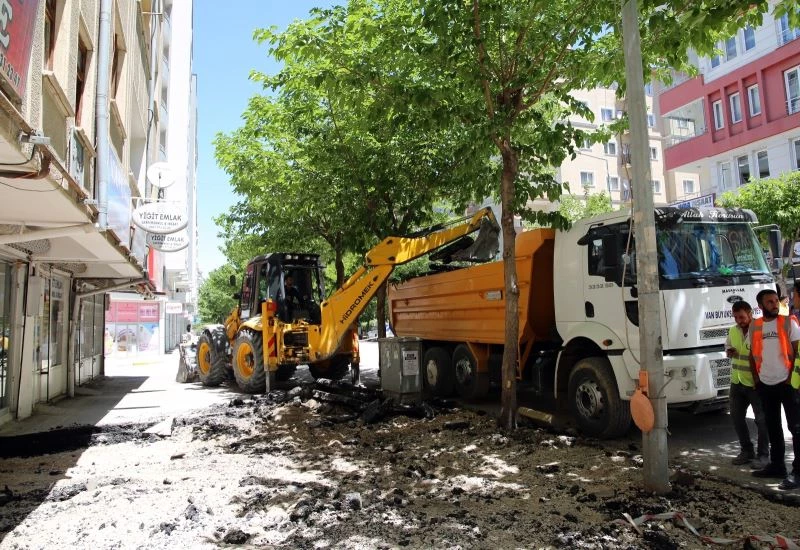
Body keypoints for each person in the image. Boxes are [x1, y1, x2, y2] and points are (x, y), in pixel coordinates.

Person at [749, 288, 800, 490]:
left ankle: (798, 472)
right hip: (765, 384)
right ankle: (777, 465)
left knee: (796, 428)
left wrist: (790, 380)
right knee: (773, 427)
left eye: (775, 301)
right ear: (760, 306)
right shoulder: (755, 326)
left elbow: (798, 352)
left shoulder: (789, 323)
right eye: (769, 302)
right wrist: (756, 380)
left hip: (787, 384)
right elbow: (751, 353)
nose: (774, 304)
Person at [725, 300, 768, 467]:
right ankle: (746, 451)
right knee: (736, 417)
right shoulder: (733, 330)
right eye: (735, 317)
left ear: (750, 314)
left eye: (741, 317)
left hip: (756, 383)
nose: (738, 320)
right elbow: (728, 346)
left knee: (762, 420)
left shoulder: (760, 329)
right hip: (737, 381)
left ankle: (763, 455)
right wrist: (729, 351)